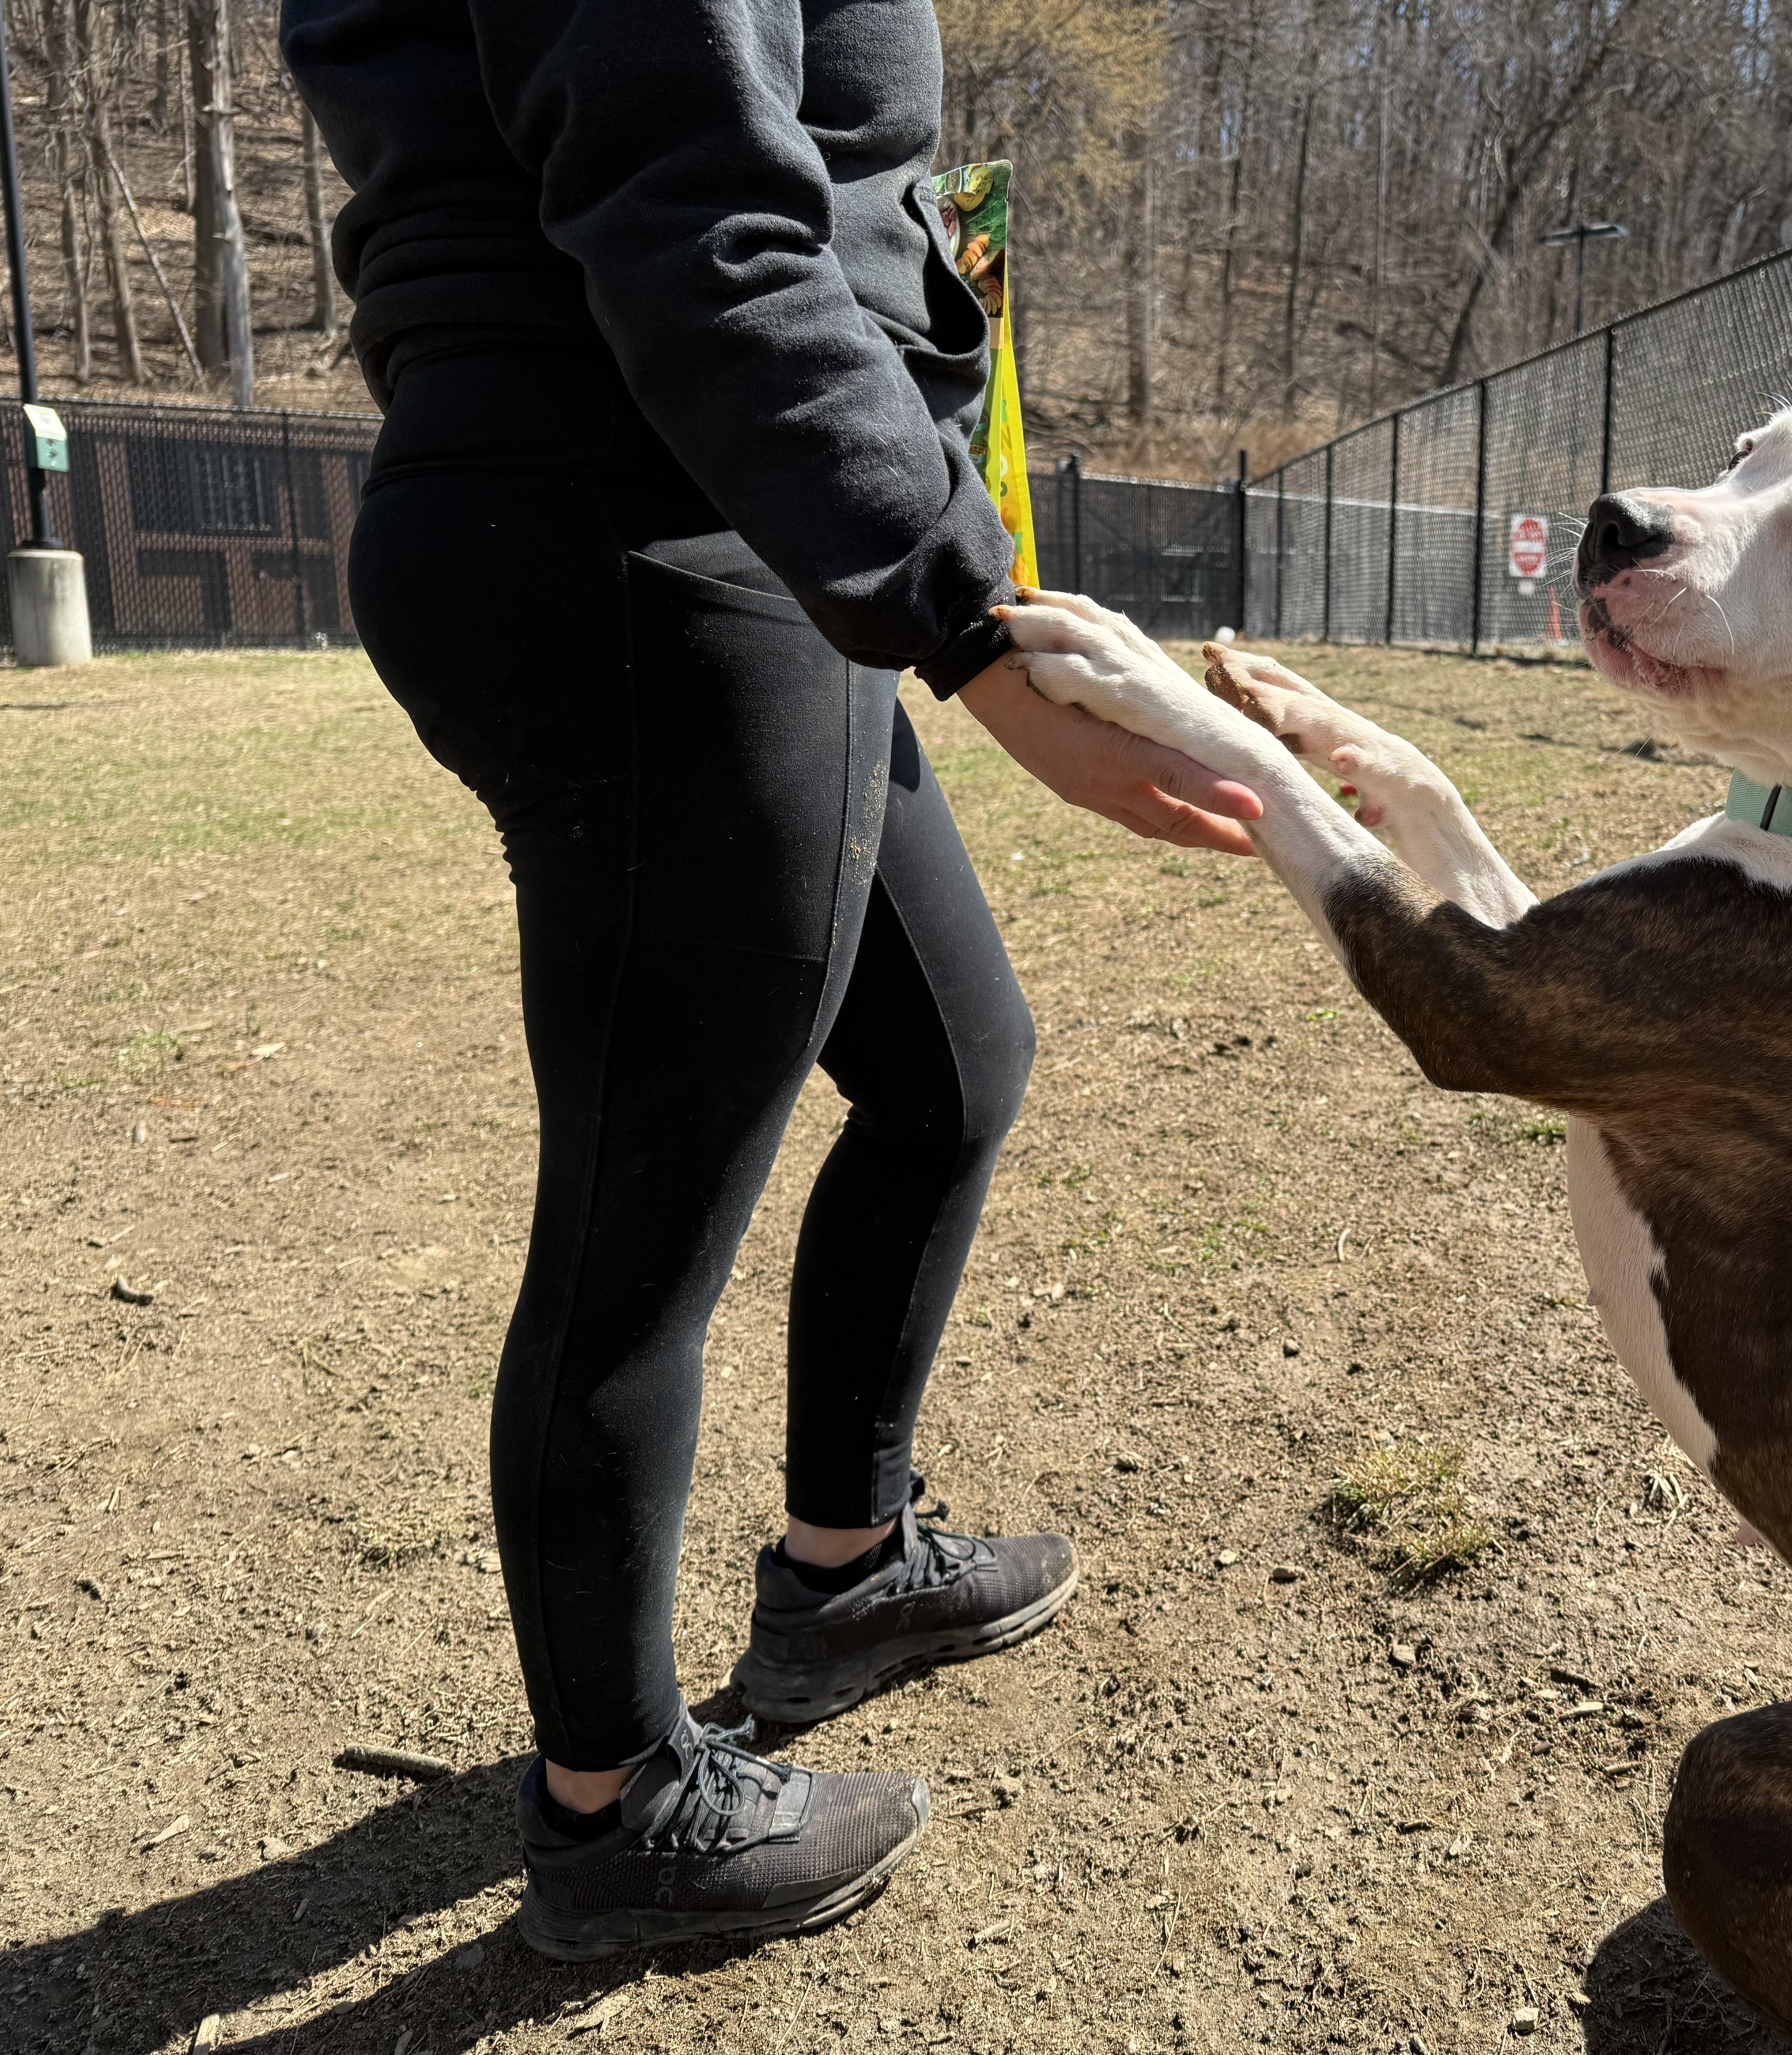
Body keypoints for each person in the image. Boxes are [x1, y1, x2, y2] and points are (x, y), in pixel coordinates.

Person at [282, 0, 1261, 1961]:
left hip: (736, 519)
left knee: (954, 1063)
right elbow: (696, 219)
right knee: (643, 1225)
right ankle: (614, 1805)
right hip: (640, 522)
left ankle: (843, 1565)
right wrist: (969, 621)